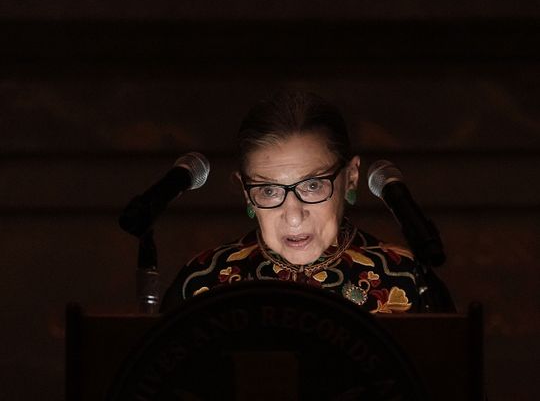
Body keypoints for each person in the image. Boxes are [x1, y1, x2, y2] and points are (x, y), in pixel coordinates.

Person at [162, 90, 441, 314]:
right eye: (269, 190)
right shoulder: (201, 285)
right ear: (246, 192)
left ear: (351, 178)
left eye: (313, 185)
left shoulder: (407, 278)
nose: (294, 216)